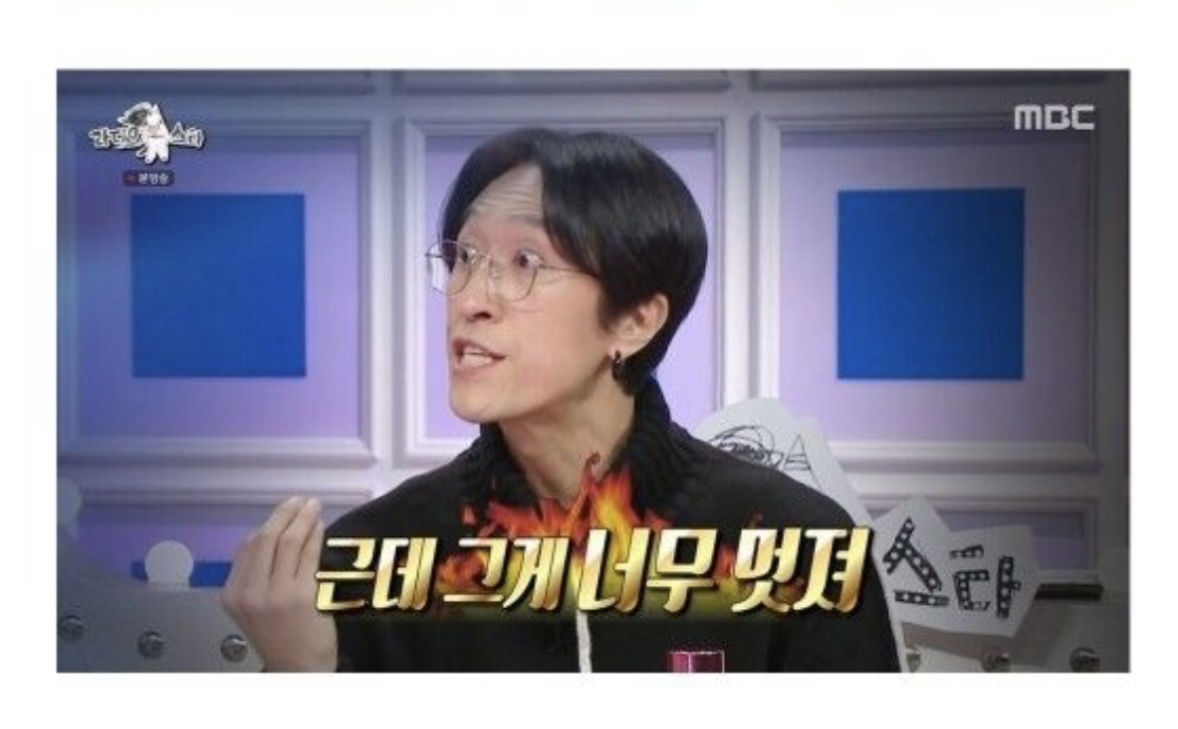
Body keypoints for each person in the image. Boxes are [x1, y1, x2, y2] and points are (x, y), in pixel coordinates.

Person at [222, 127, 900, 672]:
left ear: (634, 320)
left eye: (525, 262)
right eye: (464, 257)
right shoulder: (373, 560)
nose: (471, 298)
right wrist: (303, 678)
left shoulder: (795, 546)